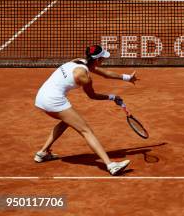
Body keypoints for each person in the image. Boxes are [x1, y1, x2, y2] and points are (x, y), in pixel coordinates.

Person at [34, 45, 137, 176]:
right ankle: (111, 165)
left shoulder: (78, 61)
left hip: (41, 96)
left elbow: (105, 74)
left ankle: (42, 152)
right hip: (53, 101)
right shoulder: (84, 76)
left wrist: (128, 78)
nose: (104, 61)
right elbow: (92, 96)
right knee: (86, 130)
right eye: (103, 59)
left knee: (68, 121)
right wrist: (112, 97)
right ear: (97, 60)